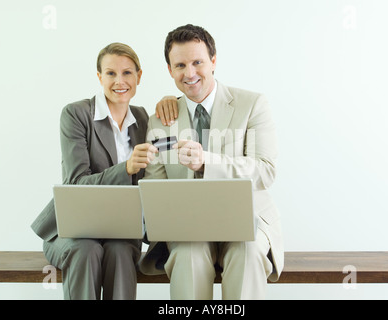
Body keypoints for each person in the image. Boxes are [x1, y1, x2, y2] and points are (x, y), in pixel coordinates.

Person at [140, 24, 284, 300]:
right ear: (170, 70)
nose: (190, 73)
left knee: (247, 253)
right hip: (187, 225)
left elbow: (265, 170)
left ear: (214, 61)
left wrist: (207, 162)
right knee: (188, 255)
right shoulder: (161, 118)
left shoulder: (252, 104)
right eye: (180, 65)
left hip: (247, 221)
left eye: (198, 62)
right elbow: (154, 186)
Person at [31, 42, 159, 300]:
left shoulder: (143, 118)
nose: (119, 81)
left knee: (121, 252)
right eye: (110, 73)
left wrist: (170, 100)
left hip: (120, 231)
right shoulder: (76, 114)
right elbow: (76, 183)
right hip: (73, 231)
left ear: (139, 76)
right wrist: (126, 168)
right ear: (100, 77)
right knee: (86, 251)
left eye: (127, 73)